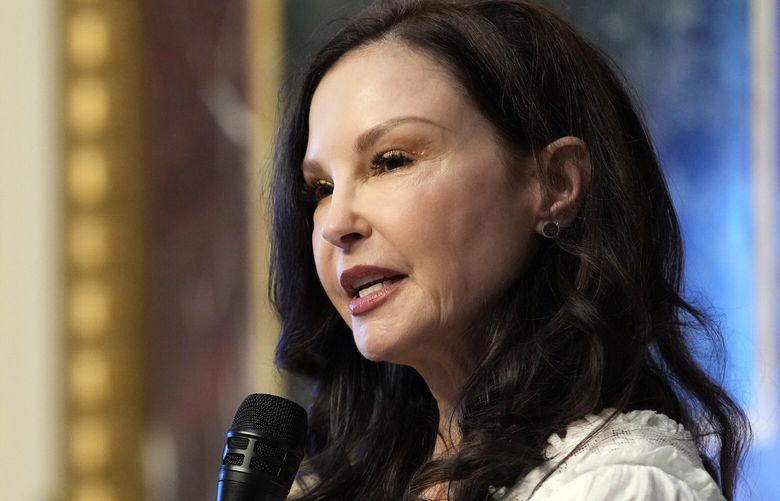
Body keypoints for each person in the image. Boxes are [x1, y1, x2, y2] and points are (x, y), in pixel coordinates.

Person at [268, 1, 750, 500]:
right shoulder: (341, 485)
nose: (336, 224)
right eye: (321, 188)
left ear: (555, 182)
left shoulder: (615, 485)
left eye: (391, 161)